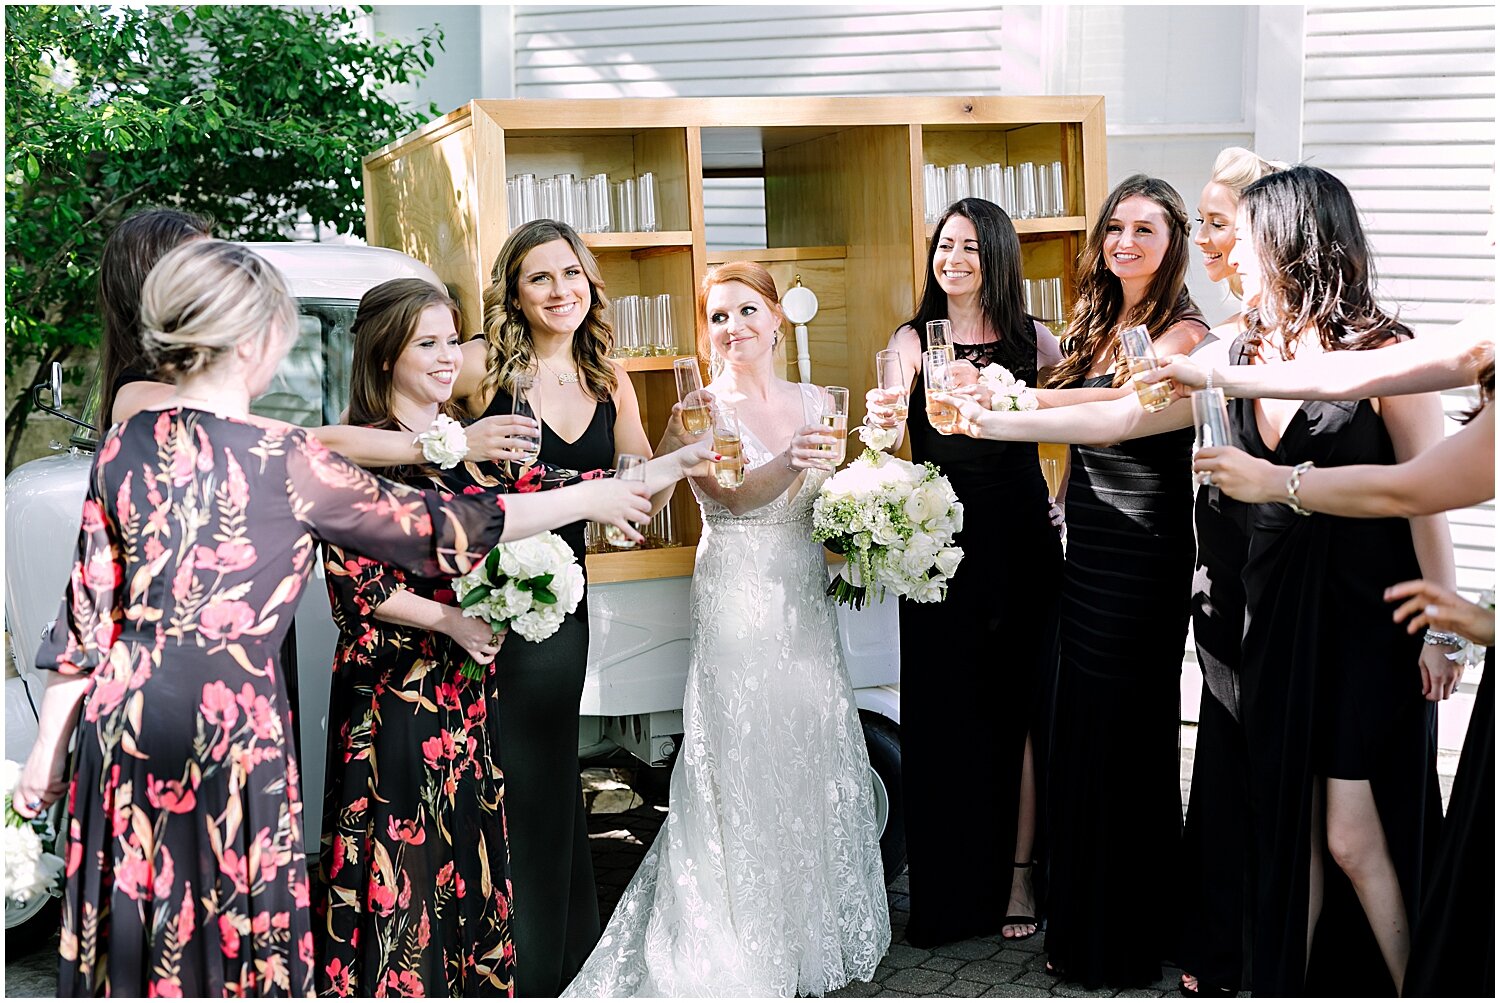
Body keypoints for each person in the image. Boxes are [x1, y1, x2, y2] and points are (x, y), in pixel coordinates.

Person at [10, 241, 656, 997]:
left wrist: (45, 759)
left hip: (126, 729)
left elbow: (85, 616)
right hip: (235, 740)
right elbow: (434, 526)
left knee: (133, 942)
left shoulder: (125, 447)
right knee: (235, 944)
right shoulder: (286, 456)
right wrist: (590, 499)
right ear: (259, 344)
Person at [310, 279, 713, 997]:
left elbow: (571, 484)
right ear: (383, 355)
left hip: (469, 703)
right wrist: (450, 620)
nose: (446, 358)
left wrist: (678, 460)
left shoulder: (474, 445)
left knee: (472, 875)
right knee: (404, 880)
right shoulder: (358, 454)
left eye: (450, 340)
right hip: (397, 703)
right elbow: (357, 587)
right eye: (425, 343)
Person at [562, 261, 890, 997]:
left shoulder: (818, 397)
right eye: (717, 315)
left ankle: (805, 927)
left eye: (747, 310)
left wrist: (869, 500)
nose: (733, 327)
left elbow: (832, 494)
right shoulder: (696, 408)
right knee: (742, 750)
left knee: (809, 738)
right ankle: (740, 935)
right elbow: (737, 499)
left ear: (778, 318)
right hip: (737, 590)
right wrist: (797, 458)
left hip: (803, 591)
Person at [1191, 357, 1493, 997]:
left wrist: (1445, 631)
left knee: (1350, 838)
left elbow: (1419, 499)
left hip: (1366, 622)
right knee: (1289, 837)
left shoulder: (1389, 351)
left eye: (1251, 246)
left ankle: (1423, 986)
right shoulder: (1247, 349)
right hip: (1281, 625)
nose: (1228, 253)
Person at [449, 218, 672, 997]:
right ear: (513, 289)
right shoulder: (480, 367)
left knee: (547, 774)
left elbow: (636, 472)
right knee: (508, 777)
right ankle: (516, 962)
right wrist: (463, 441)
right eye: (540, 277)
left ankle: (559, 960)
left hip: (563, 602)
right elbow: (418, 440)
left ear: (590, 283)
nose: (560, 291)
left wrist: (663, 457)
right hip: (483, 601)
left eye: (572, 274)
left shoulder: (609, 376)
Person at [863, 197, 1063, 946]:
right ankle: (947, 894)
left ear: (999, 257)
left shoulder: (1032, 339)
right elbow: (884, 425)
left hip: (1022, 543)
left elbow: (1092, 408)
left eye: (972, 247)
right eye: (945, 245)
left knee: (1022, 717)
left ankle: (1019, 879)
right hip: (939, 547)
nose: (954, 259)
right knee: (947, 717)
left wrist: (1069, 501)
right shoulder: (912, 340)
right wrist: (883, 417)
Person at [1041, 175, 1206, 989]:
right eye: (1115, 227)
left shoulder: (1183, 332)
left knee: (1128, 731)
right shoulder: (1098, 321)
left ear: (1173, 242)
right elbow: (1078, 435)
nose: (1125, 242)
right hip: (1091, 545)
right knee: (1084, 727)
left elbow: (1119, 417)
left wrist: (1004, 404)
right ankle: (1080, 922)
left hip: (1147, 550)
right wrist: (1060, 501)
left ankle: (1128, 935)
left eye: (1145, 228)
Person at [1174, 146, 1283, 998]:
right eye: (1203, 222)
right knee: (1221, 757)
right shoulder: (1226, 336)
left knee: (1267, 764)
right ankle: (1221, 945)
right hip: (1219, 572)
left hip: (1278, 571)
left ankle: (1264, 946)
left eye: (1217, 222)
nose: (1203, 237)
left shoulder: (1283, 340)